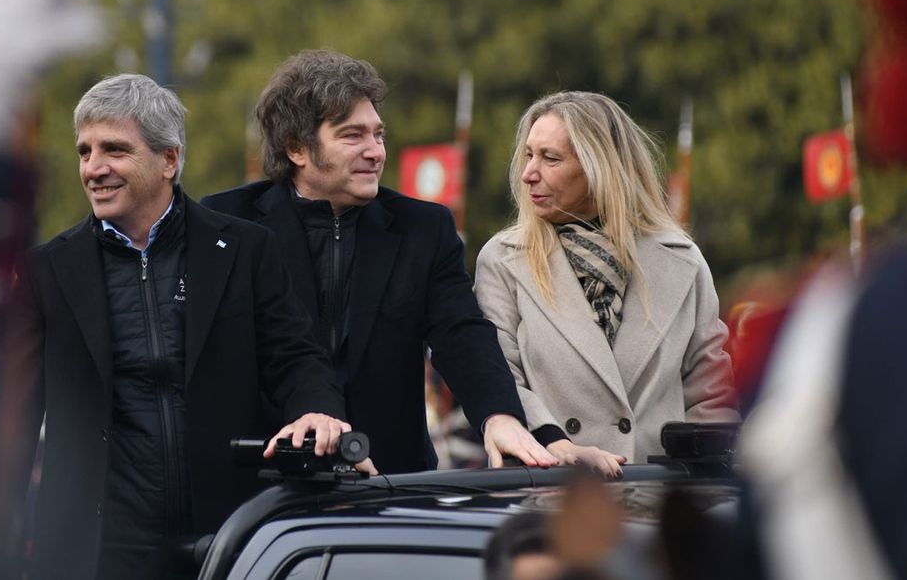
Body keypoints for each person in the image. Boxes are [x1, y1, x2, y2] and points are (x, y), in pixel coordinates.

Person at [0, 73, 351, 580]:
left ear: (169, 160)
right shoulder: (45, 272)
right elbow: (13, 417)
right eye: (84, 152)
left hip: (229, 537)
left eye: (114, 150)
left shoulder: (246, 250)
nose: (93, 169)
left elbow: (294, 356)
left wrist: (318, 410)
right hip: (97, 551)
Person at [202, 48, 555, 473]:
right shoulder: (226, 223)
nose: (375, 152)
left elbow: (460, 332)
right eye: (353, 136)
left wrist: (498, 415)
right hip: (261, 481)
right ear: (297, 148)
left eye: (379, 135)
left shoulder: (423, 228)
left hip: (392, 484)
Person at [474, 91, 737, 470]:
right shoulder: (502, 261)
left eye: (550, 158)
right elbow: (500, 381)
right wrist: (554, 445)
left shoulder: (682, 261)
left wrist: (699, 494)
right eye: (529, 155)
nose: (529, 172)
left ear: (601, 167)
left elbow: (712, 397)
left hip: (659, 504)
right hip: (551, 497)